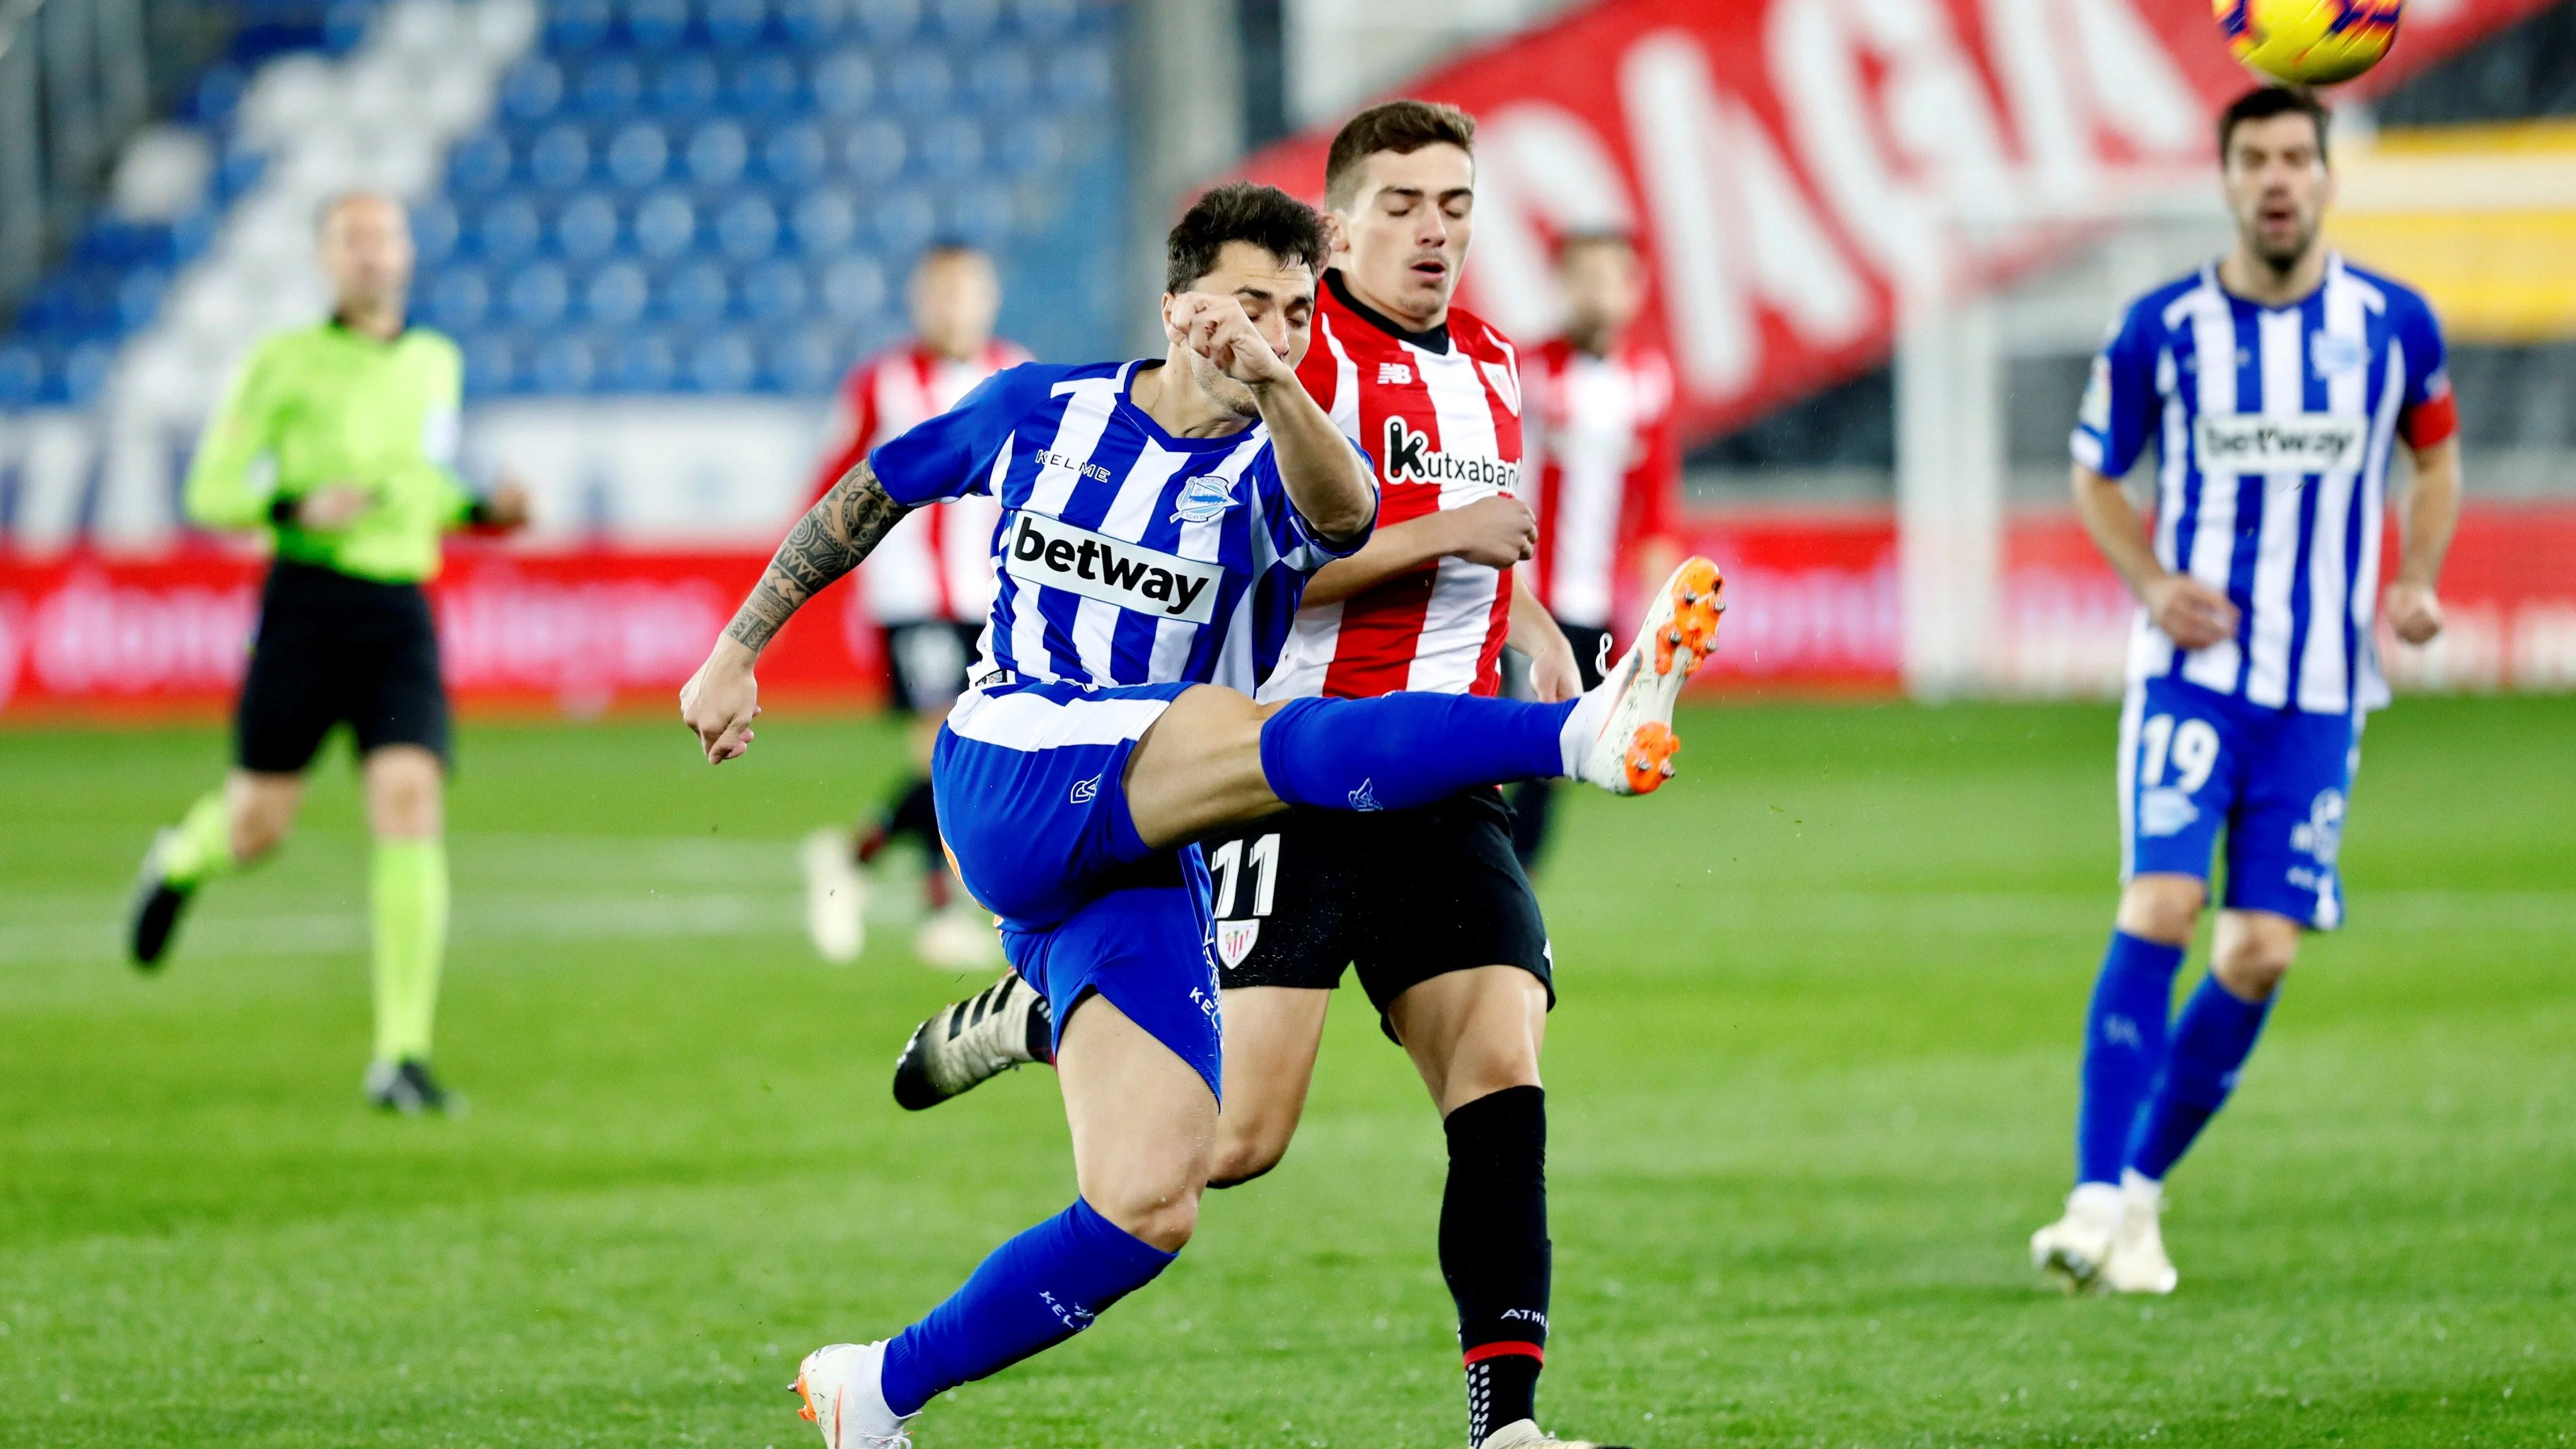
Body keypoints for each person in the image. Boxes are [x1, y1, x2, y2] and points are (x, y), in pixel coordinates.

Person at [675, 181, 1719, 1449]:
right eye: (1243, 306)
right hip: (1009, 767)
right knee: (1266, 744)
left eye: (1293, 312)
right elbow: (873, 493)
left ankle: (871, 1390)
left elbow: (1342, 514)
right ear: (1175, 305)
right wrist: (739, 647)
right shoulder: (1042, 410)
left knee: (1157, 1197)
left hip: (1142, 835)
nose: (1273, 331)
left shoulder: (1276, 459)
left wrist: (1278, 384)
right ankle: (1575, 737)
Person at [2029, 86, 2461, 1294]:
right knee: (2164, 901)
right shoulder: (2160, 328)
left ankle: (2144, 1193)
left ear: (2326, 176)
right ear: (2224, 179)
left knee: (2262, 947)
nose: (2277, 178)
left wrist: (2417, 578)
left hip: (2322, 686)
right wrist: (2152, 579)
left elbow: (2435, 458)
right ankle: (2093, 1192)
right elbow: (2096, 473)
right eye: (2254, 159)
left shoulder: (2395, 323)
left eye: (2295, 158)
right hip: (2191, 676)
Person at [124, 191, 531, 1114]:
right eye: (352, 240)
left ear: (407, 253)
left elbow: (423, 483)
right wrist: (291, 507)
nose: (372, 254)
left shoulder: (436, 361)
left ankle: (401, 1056)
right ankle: (179, 860)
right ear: (326, 260)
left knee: (409, 797)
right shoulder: (284, 363)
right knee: (258, 823)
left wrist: (480, 512)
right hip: (306, 605)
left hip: (398, 611)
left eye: (384, 236)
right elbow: (211, 487)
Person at [799, 243, 1031, 970]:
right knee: (940, 745)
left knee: (976, 746)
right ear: (919, 300)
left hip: (994, 594)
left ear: (989, 297)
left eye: (968, 290)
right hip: (912, 594)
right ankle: (938, 913)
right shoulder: (882, 382)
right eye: (942, 292)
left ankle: (853, 854)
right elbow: (834, 480)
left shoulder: (1017, 371)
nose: (955, 305)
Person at [1509, 229, 1683, 871]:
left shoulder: (1649, 380)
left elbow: (1656, 502)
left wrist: (1656, 612)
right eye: (1584, 276)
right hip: (1523, 600)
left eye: (1612, 277)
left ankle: (1512, 884)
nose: (1598, 292)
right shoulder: (1527, 371)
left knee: (1555, 762)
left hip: (1595, 603)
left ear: (1636, 289)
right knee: (1499, 747)